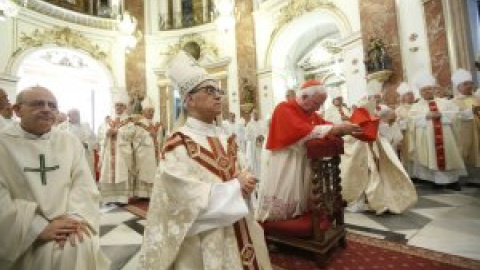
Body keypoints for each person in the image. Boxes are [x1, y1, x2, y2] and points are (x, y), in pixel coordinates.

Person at [139, 51, 272, 270]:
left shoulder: (225, 136)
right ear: (189, 99)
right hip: (204, 239)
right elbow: (181, 196)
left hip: (240, 226)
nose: (219, 96)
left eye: (218, 90)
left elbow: (243, 169)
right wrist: (235, 187)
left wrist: (246, 178)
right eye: (210, 91)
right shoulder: (178, 143)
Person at [0, 86, 110, 270]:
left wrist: (75, 219)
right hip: (21, 233)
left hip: (69, 223)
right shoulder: (3, 144)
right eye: (37, 104)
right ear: (17, 110)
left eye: (52, 105)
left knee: (78, 245)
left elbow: (83, 185)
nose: (46, 109)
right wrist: (36, 228)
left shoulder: (68, 141)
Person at [255, 79, 363, 221]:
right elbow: (298, 131)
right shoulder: (284, 108)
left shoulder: (311, 113)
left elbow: (325, 125)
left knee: (304, 202)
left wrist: (344, 127)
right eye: (316, 103)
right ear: (304, 96)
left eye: (320, 104)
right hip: (286, 161)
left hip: (304, 161)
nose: (318, 108)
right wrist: (336, 129)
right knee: (285, 199)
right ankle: (279, 225)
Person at [339, 80, 417, 214]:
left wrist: (385, 121)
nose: (377, 98)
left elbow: (390, 120)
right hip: (362, 145)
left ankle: (381, 199)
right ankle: (362, 199)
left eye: (378, 95)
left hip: (378, 143)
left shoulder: (383, 108)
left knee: (380, 171)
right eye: (374, 96)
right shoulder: (361, 106)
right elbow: (357, 122)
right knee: (364, 171)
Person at [409, 71, 466, 190]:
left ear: (433, 89)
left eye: (429, 89)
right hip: (428, 137)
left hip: (446, 135)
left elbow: (455, 115)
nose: (427, 92)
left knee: (449, 154)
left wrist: (442, 115)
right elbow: (412, 120)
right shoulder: (416, 106)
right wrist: (426, 116)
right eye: (424, 90)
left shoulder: (445, 102)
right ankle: (435, 180)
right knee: (431, 156)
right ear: (420, 92)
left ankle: (452, 181)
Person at [98, 90, 136, 204]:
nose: (118, 107)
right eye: (117, 105)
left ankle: (121, 198)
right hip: (109, 152)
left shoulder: (128, 121)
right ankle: (109, 198)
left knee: (121, 173)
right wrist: (107, 133)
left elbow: (131, 134)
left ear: (124, 107)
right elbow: (101, 132)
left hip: (121, 153)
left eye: (121, 105)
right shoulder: (108, 120)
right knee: (107, 173)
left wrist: (118, 133)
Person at [451, 68, 480, 184]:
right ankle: (471, 178)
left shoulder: (477, 98)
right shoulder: (454, 101)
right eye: (466, 84)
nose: (469, 86)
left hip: (477, 129)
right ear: (459, 87)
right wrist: (471, 111)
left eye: (471, 83)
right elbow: (456, 116)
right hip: (465, 132)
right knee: (469, 152)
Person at [131, 97, 163, 198]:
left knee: (154, 170)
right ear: (143, 111)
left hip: (154, 151)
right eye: (149, 111)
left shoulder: (154, 124)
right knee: (145, 171)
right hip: (144, 152)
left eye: (152, 111)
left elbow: (159, 138)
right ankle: (143, 194)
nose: (151, 113)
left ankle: (152, 192)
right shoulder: (139, 124)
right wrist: (149, 135)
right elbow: (136, 138)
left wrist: (155, 136)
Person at [66, 108, 96, 176]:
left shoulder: (86, 125)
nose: (77, 116)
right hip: (72, 155)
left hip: (86, 155)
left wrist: (86, 144)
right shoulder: (64, 127)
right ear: (69, 116)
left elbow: (94, 139)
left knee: (87, 174)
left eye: (77, 114)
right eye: (74, 115)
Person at [395, 82, 415, 175]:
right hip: (406, 135)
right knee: (408, 154)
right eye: (408, 94)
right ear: (403, 97)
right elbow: (396, 123)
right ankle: (411, 174)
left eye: (412, 94)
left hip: (417, 134)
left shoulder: (418, 106)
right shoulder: (399, 109)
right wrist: (403, 123)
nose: (411, 96)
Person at [245, 109, 266, 178]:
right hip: (254, 146)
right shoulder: (249, 124)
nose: (256, 115)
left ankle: (263, 175)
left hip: (262, 145)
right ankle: (256, 176)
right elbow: (247, 136)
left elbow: (266, 132)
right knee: (255, 161)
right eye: (254, 114)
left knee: (263, 159)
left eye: (257, 114)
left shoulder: (262, 123)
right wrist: (255, 138)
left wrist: (262, 137)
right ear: (252, 115)